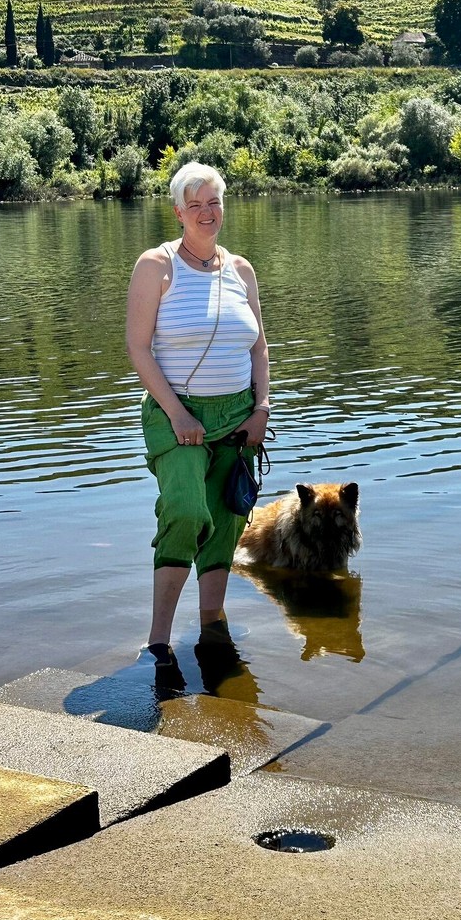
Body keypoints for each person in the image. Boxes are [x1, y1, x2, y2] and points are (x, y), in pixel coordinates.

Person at [126, 161, 270, 673]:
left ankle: (213, 625)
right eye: (196, 204)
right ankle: (158, 641)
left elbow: (258, 347)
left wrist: (261, 408)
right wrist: (178, 413)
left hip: (237, 417)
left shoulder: (242, 270)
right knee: (186, 511)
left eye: (214, 202)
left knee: (227, 520)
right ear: (178, 211)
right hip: (175, 415)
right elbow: (138, 349)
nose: (207, 213)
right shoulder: (156, 266)